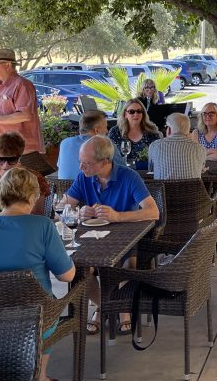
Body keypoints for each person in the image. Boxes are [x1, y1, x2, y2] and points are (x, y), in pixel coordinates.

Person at [0, 167, 75, 381]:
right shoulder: (43, 226)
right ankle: (40, 377)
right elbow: (67, 276)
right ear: (32, 196)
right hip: (35, 319)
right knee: (52, 309)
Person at [62, 136, 160, 334]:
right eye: (80, 162)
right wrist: (79, 212)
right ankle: (106, 306)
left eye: (87, 163)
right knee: (81, 270)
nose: (81, 168)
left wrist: (118, 216)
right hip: (92, 236)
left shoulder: (128, 176)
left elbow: (153, 212)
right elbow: (64, 207)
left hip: (127, 235)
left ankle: (120, 308)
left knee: (127, 265)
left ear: (105, 161)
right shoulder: (84, 177)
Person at [0, 48, 43, 155]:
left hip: (19, 152)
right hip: (0, 150)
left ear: (7, 65)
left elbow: (25, 115)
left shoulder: (22, 85)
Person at [56, 110, 126, 180]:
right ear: (96, 130)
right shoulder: (105, 145)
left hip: (63, 189)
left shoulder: (64, 143)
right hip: (93, 189)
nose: (107, 131)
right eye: (105, 127)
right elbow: (123, 170)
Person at [150, 112, 206, 180]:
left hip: (163, 190)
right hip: (191, 190)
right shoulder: (199, 148)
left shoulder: (155, 146)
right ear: (188, 130)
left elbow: (151, 169)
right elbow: (201, 169)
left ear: (169, 129)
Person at [108, 98, 162, 167]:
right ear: (125, 115)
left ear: (143, 114)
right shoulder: (115, 132)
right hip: (122, 172)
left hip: (147, 173)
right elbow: (108, 155)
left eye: (139, 111)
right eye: (131, 111)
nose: (136, 114)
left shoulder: (152, 132)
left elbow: (159, 156)